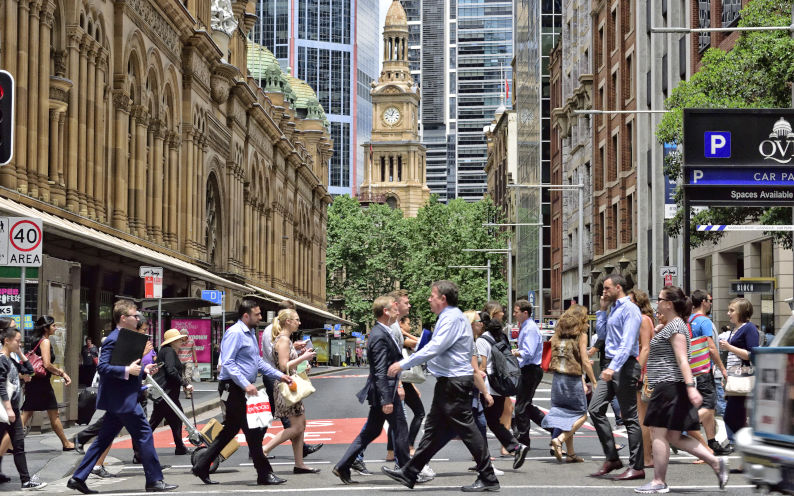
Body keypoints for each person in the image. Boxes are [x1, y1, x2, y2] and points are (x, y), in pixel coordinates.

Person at [384, 280, 500, 492]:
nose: (429, 299)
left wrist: (402, 364)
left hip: (454, 383)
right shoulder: (451, 317)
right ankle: (411, 471)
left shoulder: (451, 318)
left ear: (443, 299)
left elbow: (435, 347)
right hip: (449, 382)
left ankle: (488, 477)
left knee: (468, 430)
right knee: (434, 430)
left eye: (432, 295)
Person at [68, 300, 176, 494]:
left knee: (103, 439)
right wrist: (128, 370)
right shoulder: (113, 339)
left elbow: (128, 365)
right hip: (123, 400)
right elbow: (103, 367)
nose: (138, 318)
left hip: (122, 399)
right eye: (135, 315)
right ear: (124, 318)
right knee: (144, 434)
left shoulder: (126, 337)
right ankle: (154, 480)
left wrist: (143, 370)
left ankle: (78, 478)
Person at [635, 286, 728, 494]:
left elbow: (682, 359)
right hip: (671, 386)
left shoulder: (676, 326)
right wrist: (659, 330)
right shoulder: (673, 325)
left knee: (658, 433)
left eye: (660, 299)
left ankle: (659, 481)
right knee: (674, 436)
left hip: (669, 385)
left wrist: (690, 387)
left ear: (669, 304)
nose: (657, 302)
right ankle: (715, 462)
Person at [191, 300, 292, 486]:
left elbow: (257, 362)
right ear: (246, 315)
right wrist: (246, 384)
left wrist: (279, 375)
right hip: (233, 388)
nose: (260, 317)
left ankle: (202, 465)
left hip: (240, 388)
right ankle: (264, 473)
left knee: (230, 430)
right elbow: (228, 362)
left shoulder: (250, 333)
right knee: (253, 430)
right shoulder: (235, 333)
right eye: (257, 314)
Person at [333, 296, 410, 484]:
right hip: (385, 391)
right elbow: (380, 370)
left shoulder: (383, 331)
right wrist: (386, 399)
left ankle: (343, 465)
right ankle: (407, 471)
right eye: (394, 307)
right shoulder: (378, 335)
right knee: (400, 429)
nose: (397, 310)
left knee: (372, 431)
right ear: (385, 311)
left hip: (383, 390)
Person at [588, 274, 645, 481]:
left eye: (606, 288)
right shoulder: (614, 308)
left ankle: (637, 466)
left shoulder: (630, 309)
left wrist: (613, 368)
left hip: (624, 365)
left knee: (629, 417)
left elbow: (627, 344)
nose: (603, 292)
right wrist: (602, 311)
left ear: (618, 287)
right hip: (611, 364)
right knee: (595, 409)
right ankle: (612, 458)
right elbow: (603, 336)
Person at [258, 300, 322, 460]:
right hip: (281, 380)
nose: (299, 322)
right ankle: (262, 450)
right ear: (287, 319)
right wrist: (303, 357)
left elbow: (283, 356)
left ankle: (299, 462)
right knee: (295, 425)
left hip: (286, 380)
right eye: (296, 319)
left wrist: (297, 353)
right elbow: (282, 363)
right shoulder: (279, 336)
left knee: (299, 424)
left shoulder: (283, 337)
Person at [475, 303, 530, 469]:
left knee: (479, 422)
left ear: (481, 325)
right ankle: (514, 447)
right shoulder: (500, 337)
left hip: (488, 387)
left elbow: (482, 367)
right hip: (500, 386)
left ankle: (485, 460)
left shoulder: (482, 341)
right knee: (492, 422)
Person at [543, 304, 597, 464]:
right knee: (581, 415)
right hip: (572, 380)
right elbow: (585, 361)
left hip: (557, 380)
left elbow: (553, 350)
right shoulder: (581, 335)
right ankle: (560, 439)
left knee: (565, 416)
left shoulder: (557, 333)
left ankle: (571, 454)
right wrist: (594, 381)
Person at [0, 318, 46, 489]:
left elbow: (30, 371)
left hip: (12, 411)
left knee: (19, 445)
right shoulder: (2, 360)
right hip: (5, 411)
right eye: (17, 341)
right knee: (15, 445)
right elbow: (1, 386)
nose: (20, 344)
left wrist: (20, 353)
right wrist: (8, 409)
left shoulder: (11, 360)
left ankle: (26, 480)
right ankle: (26, 480)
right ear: (7, 340)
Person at [21, 315, 75, 451]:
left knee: (27, 413)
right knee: (52, 413)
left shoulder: (36, 340)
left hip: (35, 382)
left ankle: (8, 443)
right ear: (46, 328)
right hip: (42, 384)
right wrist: (62, 373)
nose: (55, 328)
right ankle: (66, 443)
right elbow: (47, 364)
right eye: (53, 325)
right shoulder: (45, 341)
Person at [689, 290, 730, 456]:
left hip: (690, 370)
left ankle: (712, 443)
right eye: (709, 300)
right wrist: (722, 368)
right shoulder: (704, 321)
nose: (711, 303)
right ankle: (681, 428)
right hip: (704, 370)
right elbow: (711, 348)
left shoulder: (688, 320)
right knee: (709, 405)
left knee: (707, 407)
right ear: (703, 302)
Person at [719, 297, 759, 443]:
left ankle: (737, 442)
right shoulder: (736, 329)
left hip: (742, 377)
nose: (728, 313)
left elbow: (752, 354)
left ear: (742, 312)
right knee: (734, 414)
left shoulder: (749, 328)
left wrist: (729, 347)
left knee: (732, 415)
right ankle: (739, 442)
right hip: (734, 377)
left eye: (732, 310)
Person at [148, 329, 194, 455]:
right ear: (172, 341)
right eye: (178, 339)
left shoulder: (166, 351)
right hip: (166, 394)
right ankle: (139, 450)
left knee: (175, 420)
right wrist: (185, 383)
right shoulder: (169, 351)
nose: (181, 341)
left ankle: (180, 447)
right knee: (154, 422)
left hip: (167, 394)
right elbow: (171, 370)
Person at [512, 298, 546, 447]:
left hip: (531, 370)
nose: (514, 314)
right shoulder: (525, 326)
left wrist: (515, 353)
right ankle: (553, 429)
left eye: (516, 312)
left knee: (521, 407)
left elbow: (529, 352)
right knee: (526, 406)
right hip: (528, 369)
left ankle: (523, 441)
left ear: (525, 313)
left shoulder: (530, 328)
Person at [629, 289, 656, 469]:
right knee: (643, 416)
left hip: (643, 371)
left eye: (630, 301)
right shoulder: (640, 319)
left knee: (642, 417)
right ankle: (648, 455)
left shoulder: (643, 319)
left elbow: (645, 348)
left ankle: (647, 457)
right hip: (641, 369)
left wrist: (637, 372)